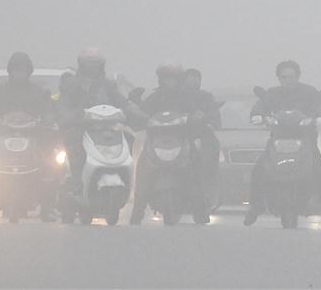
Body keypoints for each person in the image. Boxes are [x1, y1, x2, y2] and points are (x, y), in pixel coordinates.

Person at [244, 60, 321, 228]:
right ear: (278, 78)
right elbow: (261, 105)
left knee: (320, 174)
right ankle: (256, 206)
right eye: (283, 77)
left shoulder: (309, 92)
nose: (287, 80)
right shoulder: (272, 94)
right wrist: (257, 115)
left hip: (306, 142)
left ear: (297, 76)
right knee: (258, 171)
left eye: (290, 76)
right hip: (277, 141)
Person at [0, 52, 56, 222]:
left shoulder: (38, 91)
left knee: (47, 167)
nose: (19, 73)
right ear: (10, 71)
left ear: (29, 71)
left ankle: (48, 209)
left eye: (23, 70)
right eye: (16, 70)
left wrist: (47, 121)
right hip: (4, 135)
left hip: (32, 136)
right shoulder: (0, 89)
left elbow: (48, 111)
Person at [57, 48, 142, 196]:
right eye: (89, 65)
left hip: (106, 129)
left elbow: (122, 102)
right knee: (74, 146)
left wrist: (139, 116)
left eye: (95, 65)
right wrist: (73, 116)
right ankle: (77, 180)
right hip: (81, 130)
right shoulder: (72, 86)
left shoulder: (108, 86)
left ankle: (125, 176)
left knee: (128, 138)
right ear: (82, 66)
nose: (92, 68)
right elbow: (63, 106)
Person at [129, 62, 198, 224]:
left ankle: (200, 209)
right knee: (142, 169)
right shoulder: (154, 98)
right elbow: (142, 114)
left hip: (181, 141)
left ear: (179, 80)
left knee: (196, 165)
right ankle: (137, 211)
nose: (169, 82)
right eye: (166, 78)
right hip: (155, 142)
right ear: (161, 80)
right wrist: (136, 115)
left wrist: (198, 118)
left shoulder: (186, 98)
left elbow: (195, 113)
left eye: (173, 78)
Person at [183, 68, 221, 210]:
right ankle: (140, 205)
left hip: (202, 136)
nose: (193, 83)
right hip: (180, 137)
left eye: (196, 80)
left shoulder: (207, 97)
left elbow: (215, 117)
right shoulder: (176, 96)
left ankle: (206, 197)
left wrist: (207, 118)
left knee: (209, 163)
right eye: (189, 80)